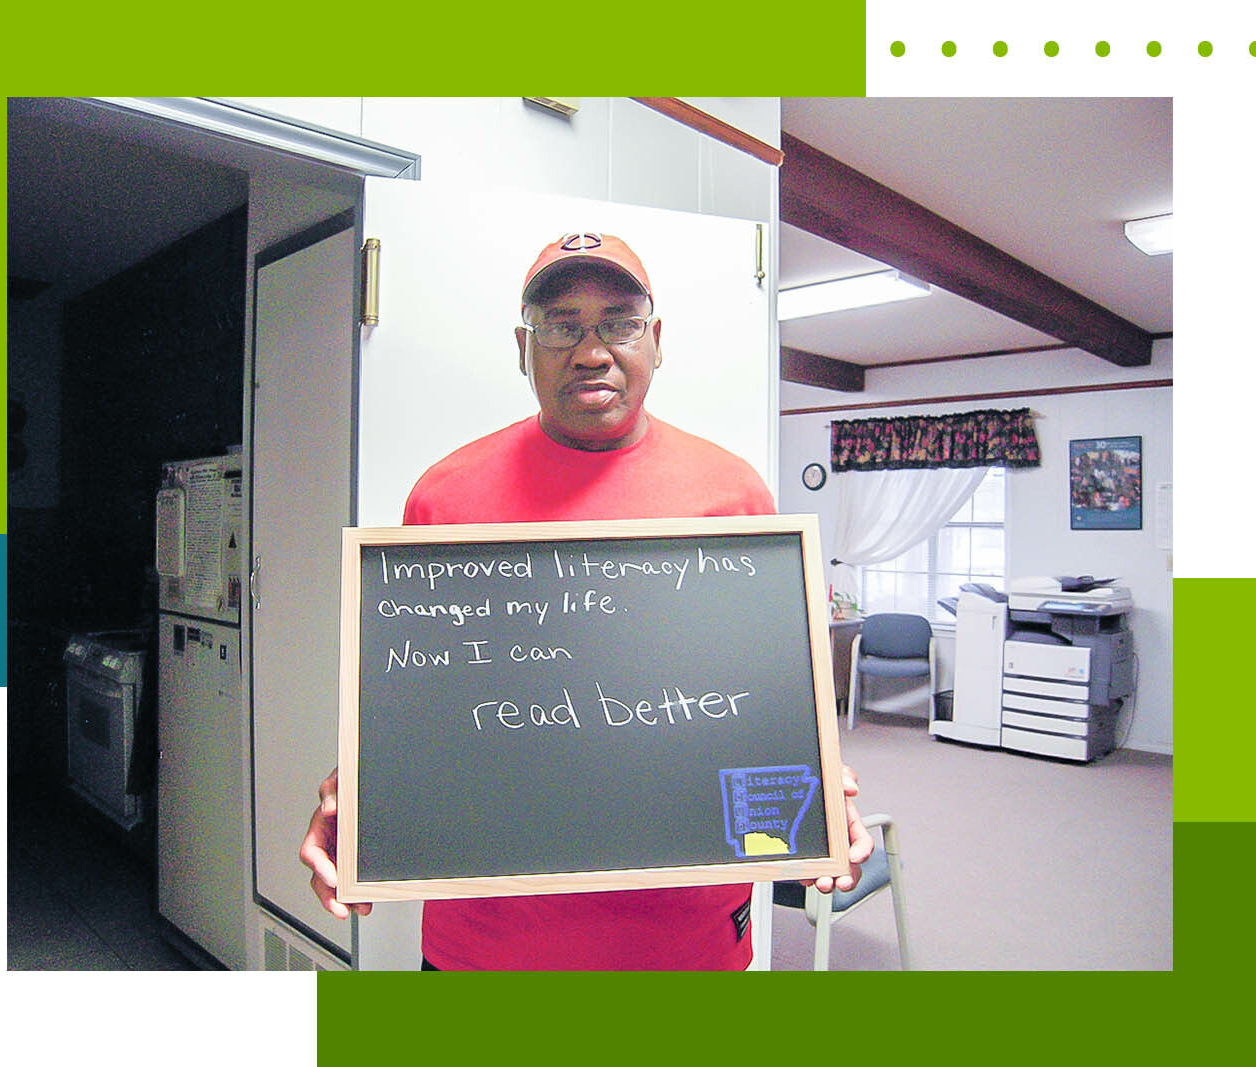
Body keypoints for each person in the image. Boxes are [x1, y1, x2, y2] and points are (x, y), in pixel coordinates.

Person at [300, 231, 874, 969]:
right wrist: (363, 796)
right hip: (484, 950)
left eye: (619, 322)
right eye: (561, 324)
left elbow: (763, 709)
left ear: (656, 340)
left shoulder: (733, 496)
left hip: (683, 944)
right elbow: (424, 712)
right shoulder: (445, 498)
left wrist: (820, 796)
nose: (591, 350)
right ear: (523, 347)